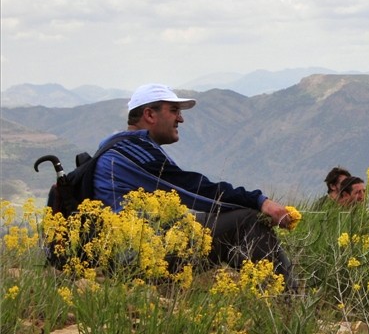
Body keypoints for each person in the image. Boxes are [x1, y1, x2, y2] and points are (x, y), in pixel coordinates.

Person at [92, 83, 298, 290]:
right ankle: (288, 298)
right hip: (134, 256)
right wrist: (260, 202)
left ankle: (258, 288)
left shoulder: (122, 146)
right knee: (246, 220)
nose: (180, 119)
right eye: (174, 111)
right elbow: (195, 190)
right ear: (150, 114)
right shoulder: (133, 152)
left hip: (137, 247)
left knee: (225, 223)